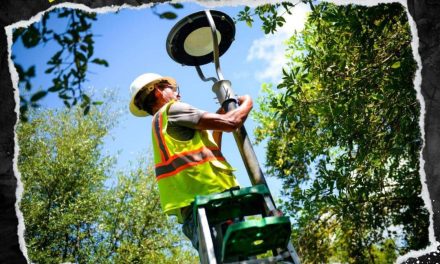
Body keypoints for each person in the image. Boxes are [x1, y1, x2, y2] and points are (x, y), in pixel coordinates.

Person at [128, 73, 253, 249]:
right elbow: (233, 122)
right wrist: (247, 101)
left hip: (194, 213)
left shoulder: (159, 124)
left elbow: (209, 149)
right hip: (215, 205)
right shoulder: (172, 110)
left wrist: (218, 124)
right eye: (174, 89)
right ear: (157, 90)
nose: (178, 95)